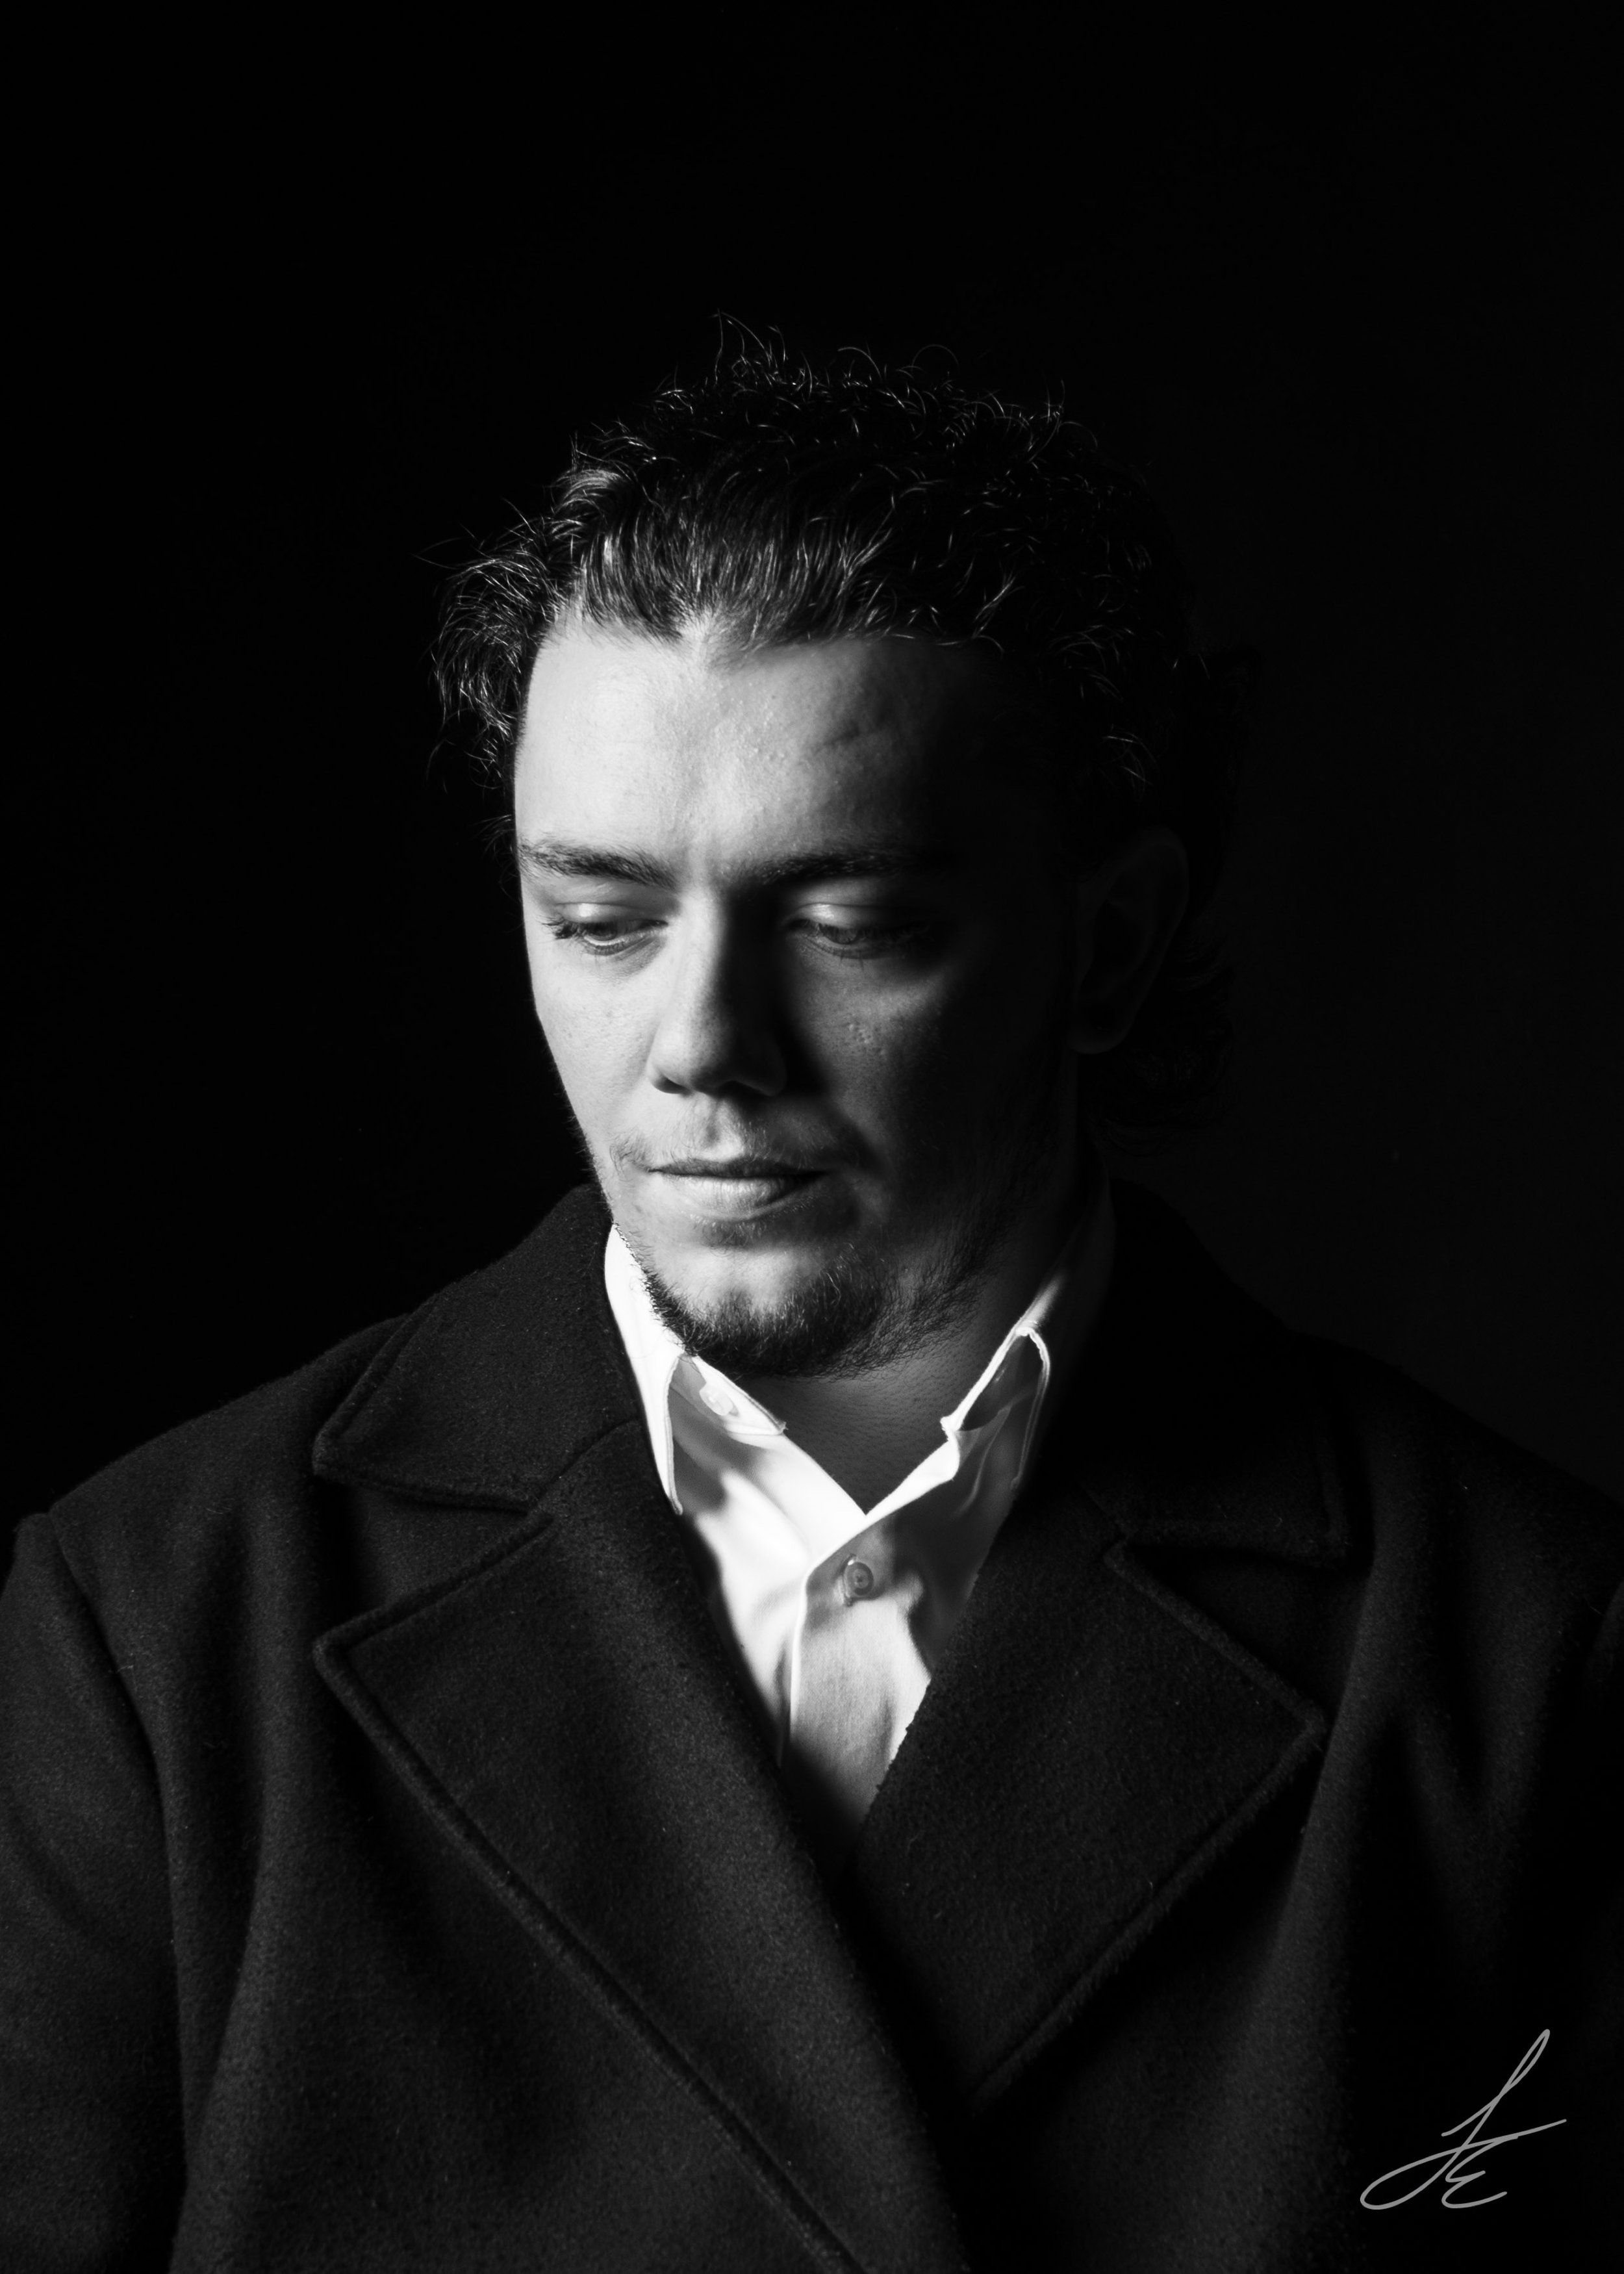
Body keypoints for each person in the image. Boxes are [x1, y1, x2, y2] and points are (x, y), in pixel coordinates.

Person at [2, 344, 1618, 2274]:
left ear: (1101, 946)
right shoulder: (154, 1624)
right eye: (599, 919)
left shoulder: (1533, 1662)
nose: (698, 1047)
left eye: (846, 922)